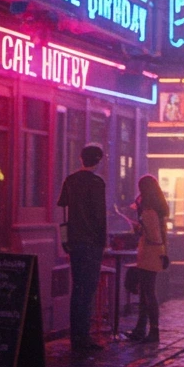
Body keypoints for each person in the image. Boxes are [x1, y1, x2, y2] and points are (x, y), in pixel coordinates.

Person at [58, 144, 107, 352]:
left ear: (81, 159)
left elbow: (63, 212)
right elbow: (99, 216)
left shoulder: (70, 181)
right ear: (98, 161)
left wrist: (65, 239)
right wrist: (102, 241)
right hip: (91, 243)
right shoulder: (97, 183)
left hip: (75, 241)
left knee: (77, 288)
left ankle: (75, 336)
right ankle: (83, 337)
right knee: (88, 289)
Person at [125, 175, 168, 343]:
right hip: (157, 253)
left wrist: (139, 227)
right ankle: (141, 328)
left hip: (149, 254)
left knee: (148, 293)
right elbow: (161, 235)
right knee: (145, 292)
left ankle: (152, 331)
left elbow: (153, 236)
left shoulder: (149, 212)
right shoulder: (158, 208)